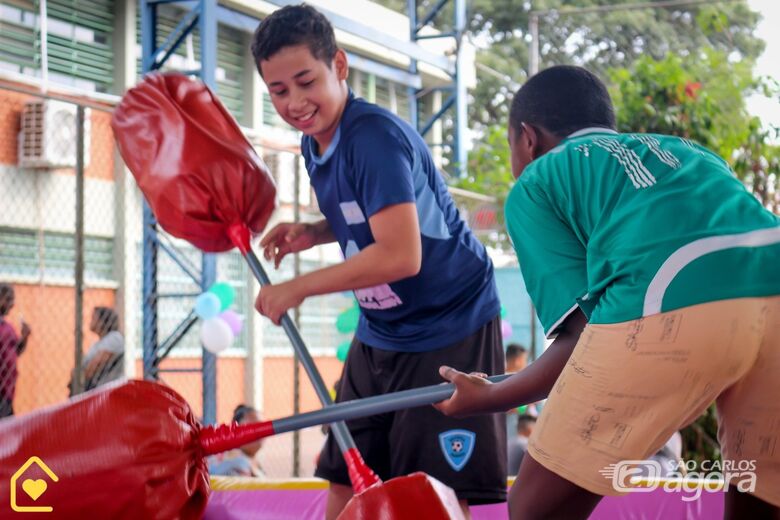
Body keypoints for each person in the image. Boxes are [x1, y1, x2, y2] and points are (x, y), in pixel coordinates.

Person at [435, 65, 780, 519]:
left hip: (673, 300)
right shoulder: (689, 152)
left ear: (527, 139)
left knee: (534, 507)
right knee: (759, 497)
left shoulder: (538, 181)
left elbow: (579, 339)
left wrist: (490, 398)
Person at [250, 5, 506, 518]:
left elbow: (401, 253)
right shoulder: (314, 140)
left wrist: (299, 287)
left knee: (431, 493)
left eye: (306, 82)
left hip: (448, 325)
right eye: (279, 91)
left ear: (339, 66)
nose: (296, 102)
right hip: (382, 330)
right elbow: (368, 213)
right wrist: (315, 232)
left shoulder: (372, 138)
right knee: (347, 472)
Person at [70, 307, 125, 394]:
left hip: (110, 390)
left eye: (93, 317)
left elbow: (92, 369)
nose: (91, 320)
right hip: (98, 391)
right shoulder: (97, 344)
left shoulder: (114, 337)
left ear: (102, 321)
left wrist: (80, 375)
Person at [0, 283, 31, 418]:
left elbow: (16, 351)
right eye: (8, 299)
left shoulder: (8, 328)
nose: (11, 304)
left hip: (7, 390)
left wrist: (24, 337)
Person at [208, 404, 265, 477]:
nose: (258, 432)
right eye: (251, 428)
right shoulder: (238, 463)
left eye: (261, 426)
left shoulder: (249, 461)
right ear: (235, 432)